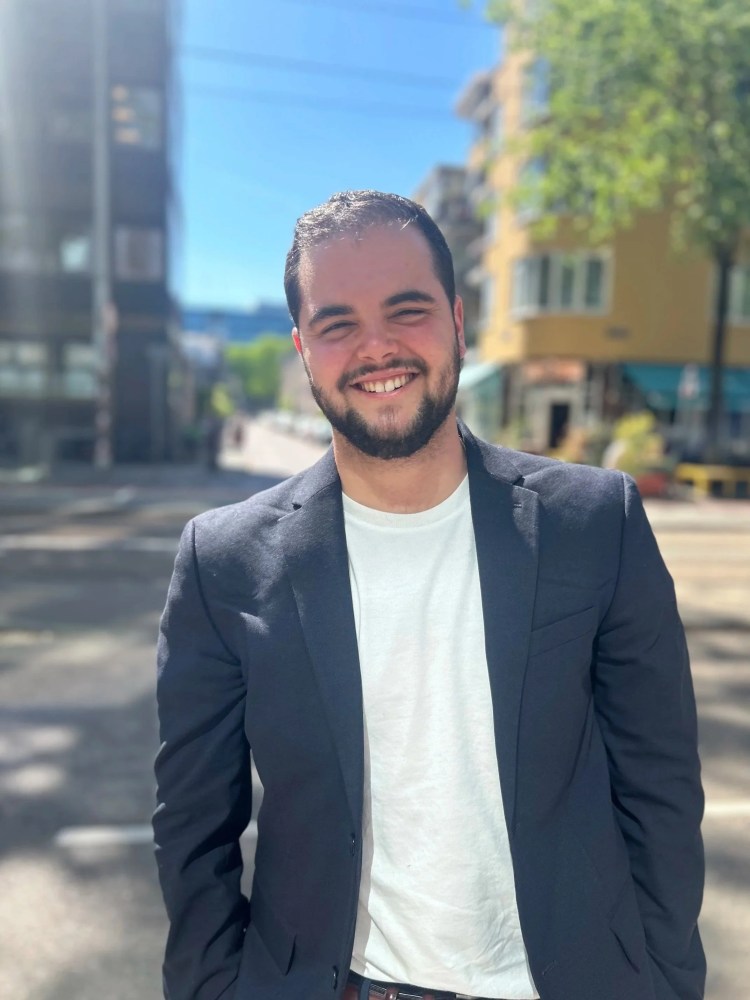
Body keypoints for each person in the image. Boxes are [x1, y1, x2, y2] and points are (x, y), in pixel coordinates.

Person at [153, 191, 705, 1000]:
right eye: (338, 323)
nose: (377, 347)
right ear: (305, 350)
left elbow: (659, 786)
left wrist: (663, 980)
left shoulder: (597, 523)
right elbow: (192, 827)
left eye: (406, 310)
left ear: (456, 318)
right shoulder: (223, 560)